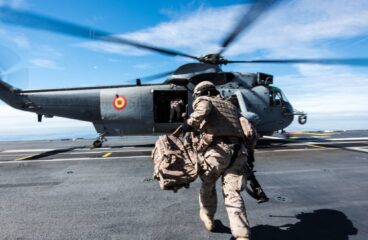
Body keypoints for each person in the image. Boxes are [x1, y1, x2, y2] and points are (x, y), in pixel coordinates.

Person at [182, 81, 251, 240]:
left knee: (208, 185)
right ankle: (242, 235)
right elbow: (249, 130)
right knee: (233, 193)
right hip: (238, 153)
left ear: (202, 93)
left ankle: (208, 217)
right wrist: (250, 153)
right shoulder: (232, 107)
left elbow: (203, 110)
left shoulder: (205, 100)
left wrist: (188, 123)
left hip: (217, 153)